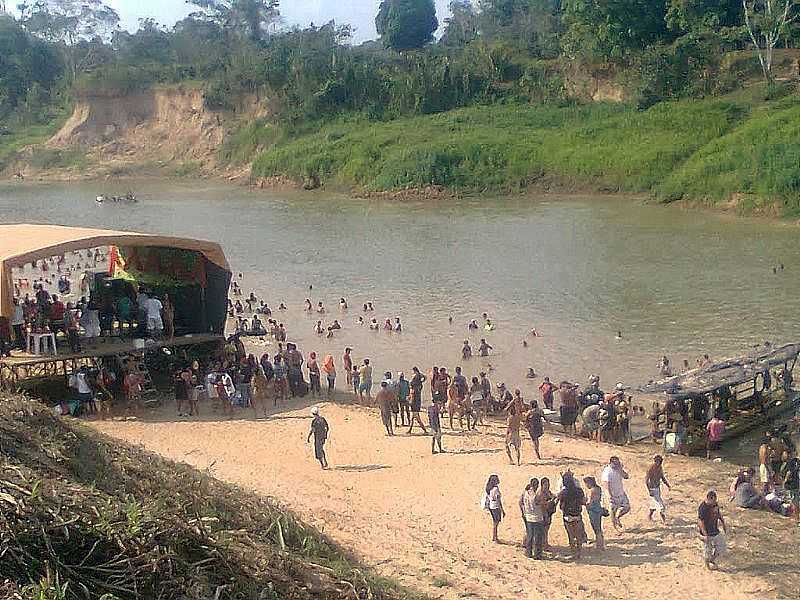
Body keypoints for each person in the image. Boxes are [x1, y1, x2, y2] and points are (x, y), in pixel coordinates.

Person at [558, 471, 586, 559]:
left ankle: (573, 551)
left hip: (567, 515)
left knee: (570, 535)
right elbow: (583, 501)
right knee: (578, 535)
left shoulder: (563, 492)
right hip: (577, 514)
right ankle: (579, 552)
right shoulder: (579, 491)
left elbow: (560, 504)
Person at [698, 490, 726, 570]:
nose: (715, 502)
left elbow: (718, 513)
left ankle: (712, 560)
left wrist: (723, 522)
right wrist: (705, 535)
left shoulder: (715, 504)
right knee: (708, 551)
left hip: (715, 530)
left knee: (721, 547)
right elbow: (700, 522)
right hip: (706, 533)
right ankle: (707, 567)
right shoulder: (702, 508)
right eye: (713, 500)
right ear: (709, 499)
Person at [601, 456, 630, 530]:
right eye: (615, 463)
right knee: (613, 512)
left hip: (621, 492)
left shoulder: (618, 469)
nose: (617, 465)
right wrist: (609, 496)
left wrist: (621, 470)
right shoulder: (607, 472)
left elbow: (626, 476)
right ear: (610, 463)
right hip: (612, 495)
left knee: (627, 508)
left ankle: (618, 517)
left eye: (618, 463)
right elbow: (605, 485)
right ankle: (615, 528)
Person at [520, 478, 544, 559]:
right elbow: (541, 505)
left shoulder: (525, 492)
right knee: (537, 537)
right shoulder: (535, 496)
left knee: (530, 535)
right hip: (537, 518)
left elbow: (520, 502)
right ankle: (537, 554)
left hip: (528, 517)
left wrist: (524, 512)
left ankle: (528, 552)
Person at [646, 455, 671, 523]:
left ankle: (650, 516)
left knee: (654, 504)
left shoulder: (659, 468)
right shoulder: (651, 469)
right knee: (661, 506)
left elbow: (662, 477)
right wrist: (649, 491)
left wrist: (667, 485)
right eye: (658, 462)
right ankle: (664, 520)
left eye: (660, 462)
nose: (659, 463)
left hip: (657, 488)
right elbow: (647, 481)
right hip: (653, 489)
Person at [584, 476, 605, 550]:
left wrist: (583, 502)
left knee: (596, 529)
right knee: (599, 528)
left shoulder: (592, 491)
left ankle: (599, 546)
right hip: (598, 509)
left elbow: (589, 503)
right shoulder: (598, 489)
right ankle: (601, 544)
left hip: (593, 511)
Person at [483, 474, 504, 543]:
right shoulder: (496, 489)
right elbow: (499, 500)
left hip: (491, 506)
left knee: (495, 522)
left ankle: (494, 537)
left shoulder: (488, 488)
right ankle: (495, 537)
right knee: (496, 523)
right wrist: (502, 510)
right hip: (496, 507)